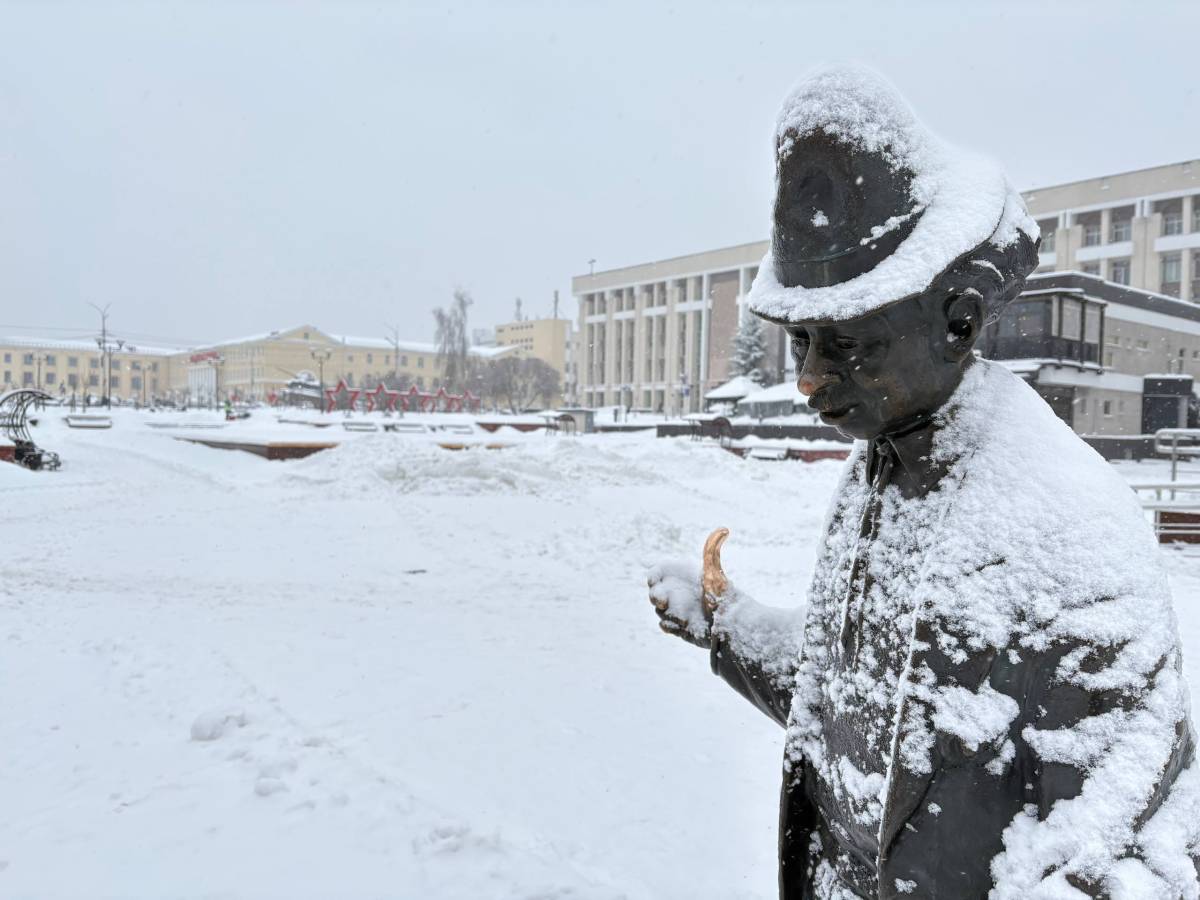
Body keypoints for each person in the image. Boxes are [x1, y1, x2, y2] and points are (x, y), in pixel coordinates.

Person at [647, 66, 1200, 898]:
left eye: (846, 343)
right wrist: (728, 624)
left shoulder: (1068, 535)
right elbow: (855, 703)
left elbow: (1131, 850)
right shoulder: (877, 467)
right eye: (802, 342)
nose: (808, 379)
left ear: (959, 320)